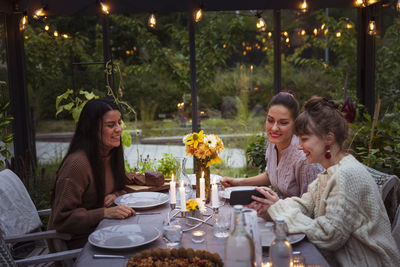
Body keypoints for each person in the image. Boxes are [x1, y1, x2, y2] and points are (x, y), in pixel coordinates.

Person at [252, 96, 400, 266]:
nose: (299, 146)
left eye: (305, 139)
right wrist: (270, 209)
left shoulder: (347, 175)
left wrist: (279, 211)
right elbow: (304, 205)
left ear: (328, 139)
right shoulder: (330, 172)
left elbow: (330, 235)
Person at [48, 98, 135, 249]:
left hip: (106, 232)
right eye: (110, 125)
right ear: (92, 128)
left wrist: (116, 195)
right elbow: (61, 220)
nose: (119, 129)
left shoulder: (110, 154)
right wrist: (104, 213)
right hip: (81, 245)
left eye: (119, 122)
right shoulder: (78, 164)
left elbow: (121, 186)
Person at [221, 92, 323, 199]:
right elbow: (270, 176)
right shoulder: (273, 142)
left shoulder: (304, 158)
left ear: (295, 124)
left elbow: (310, 208)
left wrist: (276, 205)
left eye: (283, 123)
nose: (274, 128)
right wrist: (236, 182)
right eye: (270, 120)